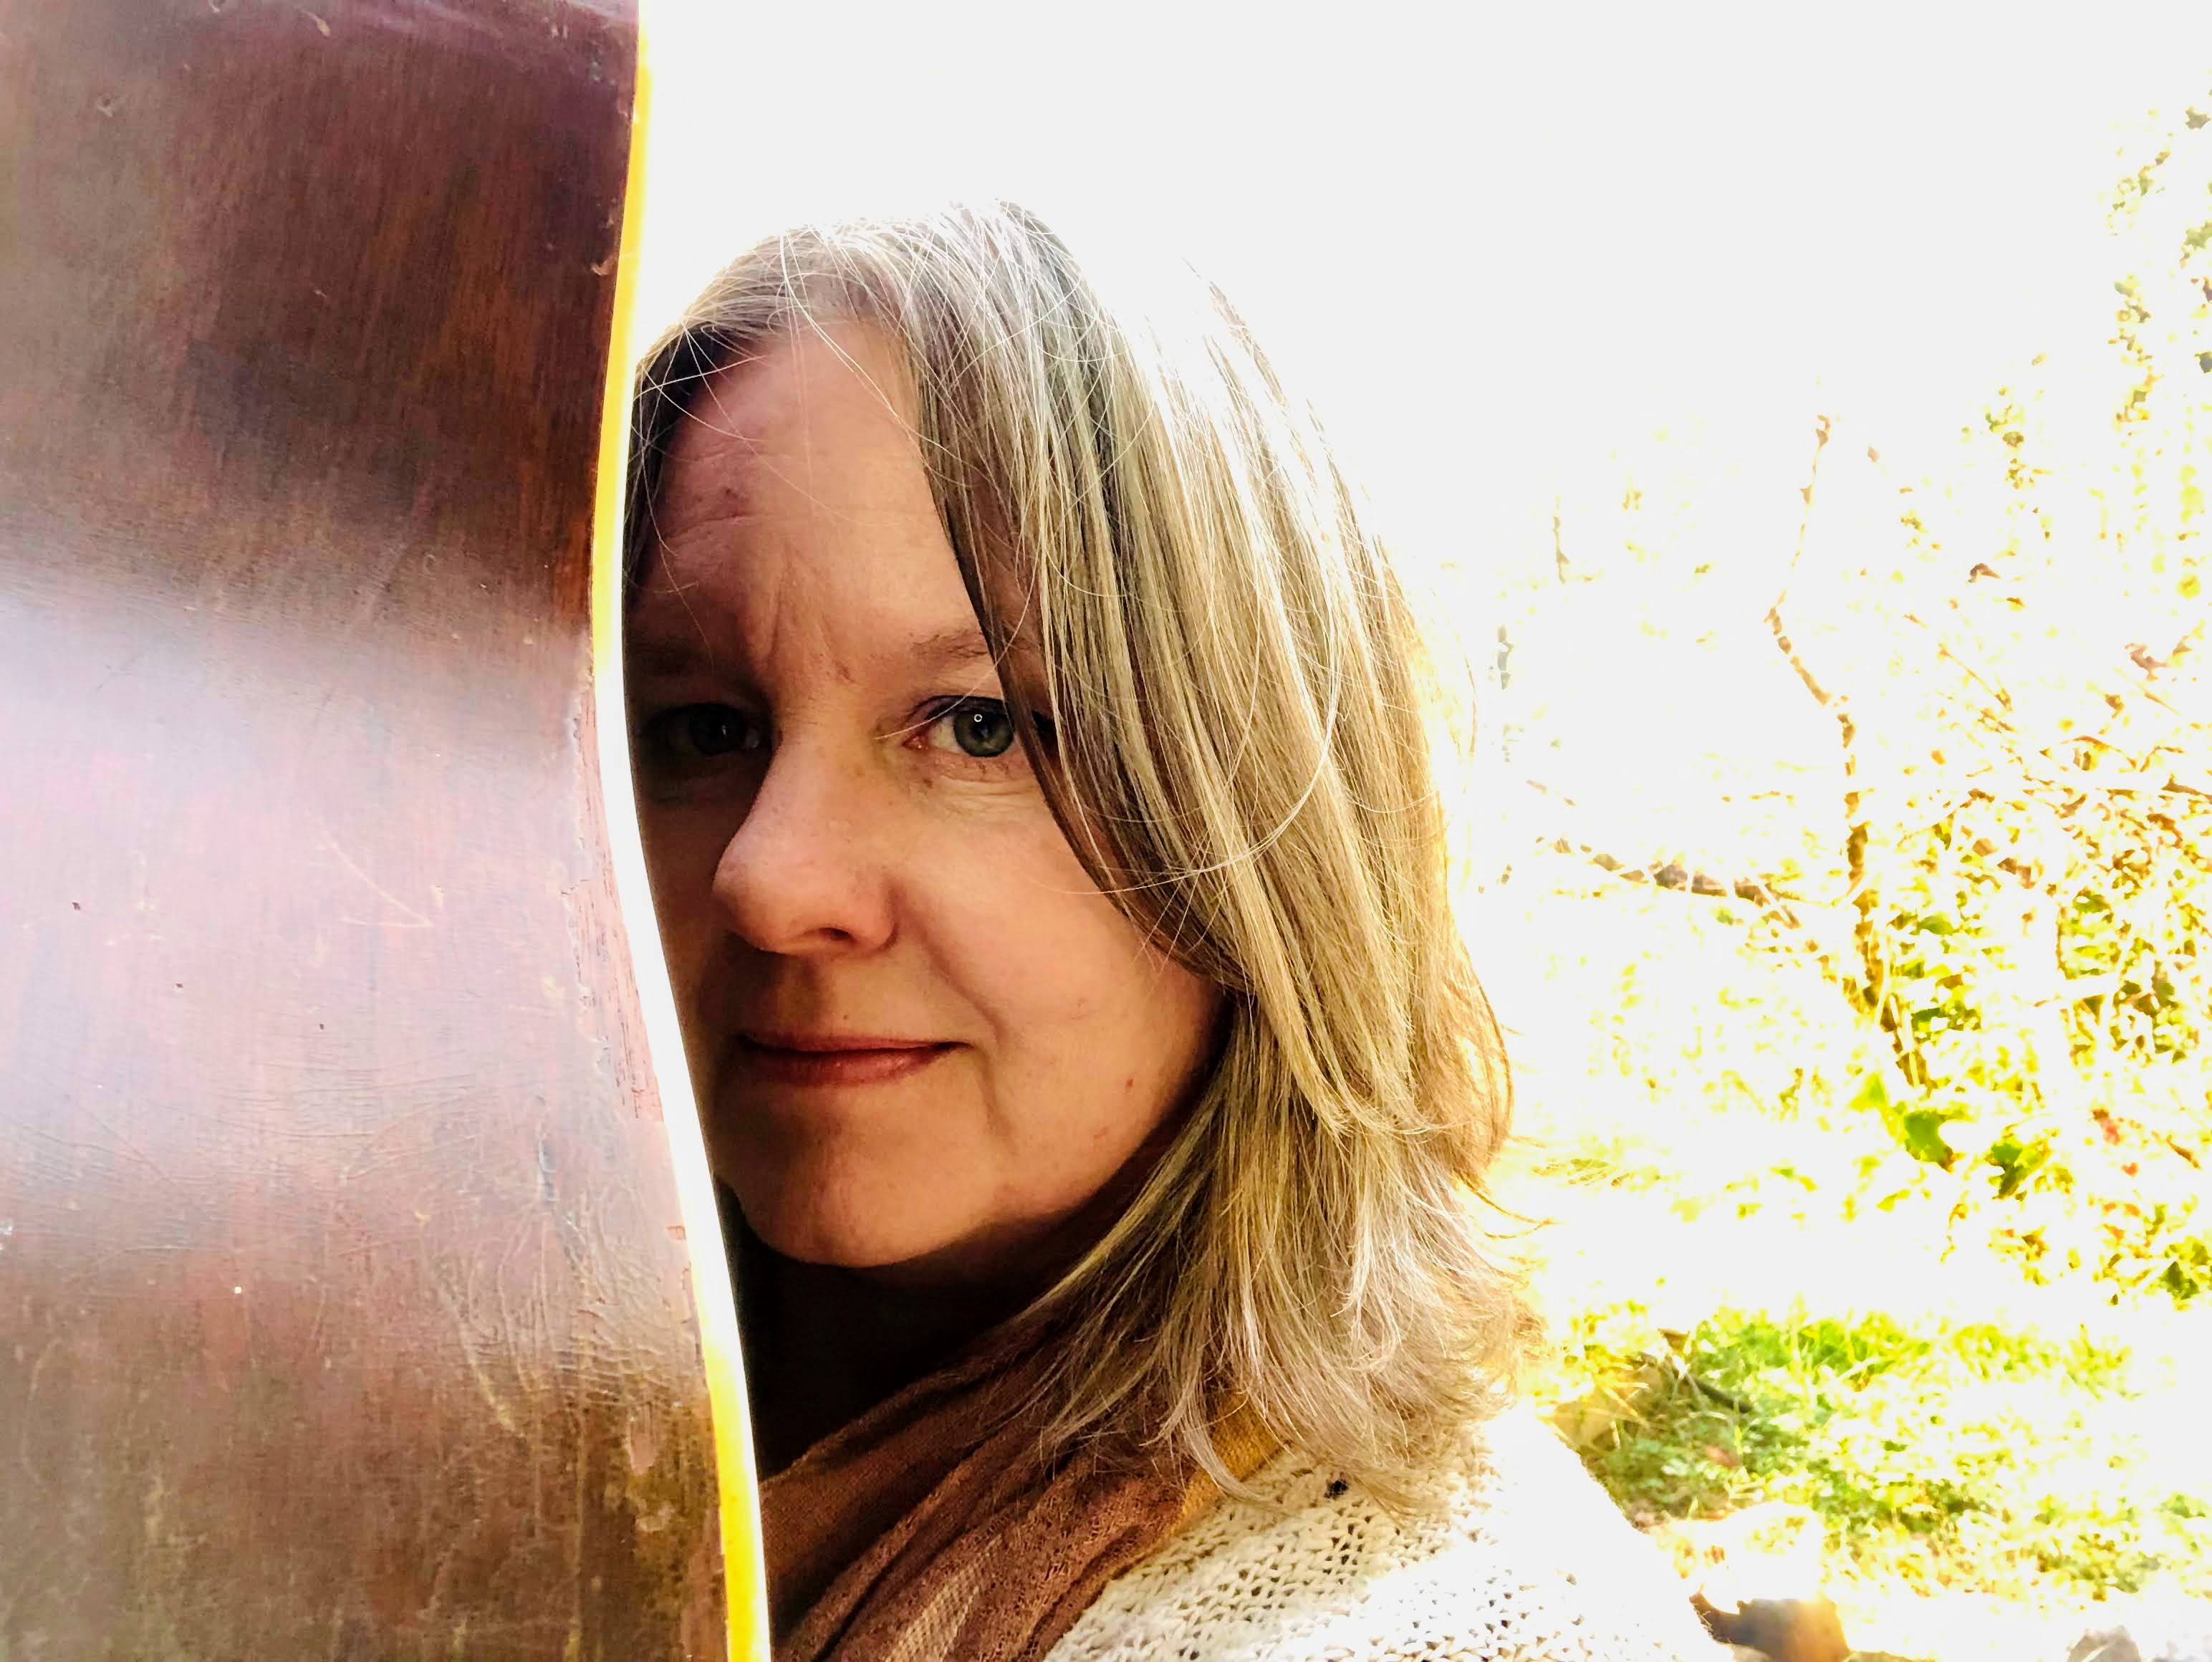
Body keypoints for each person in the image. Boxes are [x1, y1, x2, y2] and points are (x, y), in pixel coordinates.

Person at [622, 202, 1720, 1661]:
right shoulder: (458, 1380)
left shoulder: (1449, 1627)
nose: (768, 879)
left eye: (981, 724)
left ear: (1263, 815)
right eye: (705, 726)